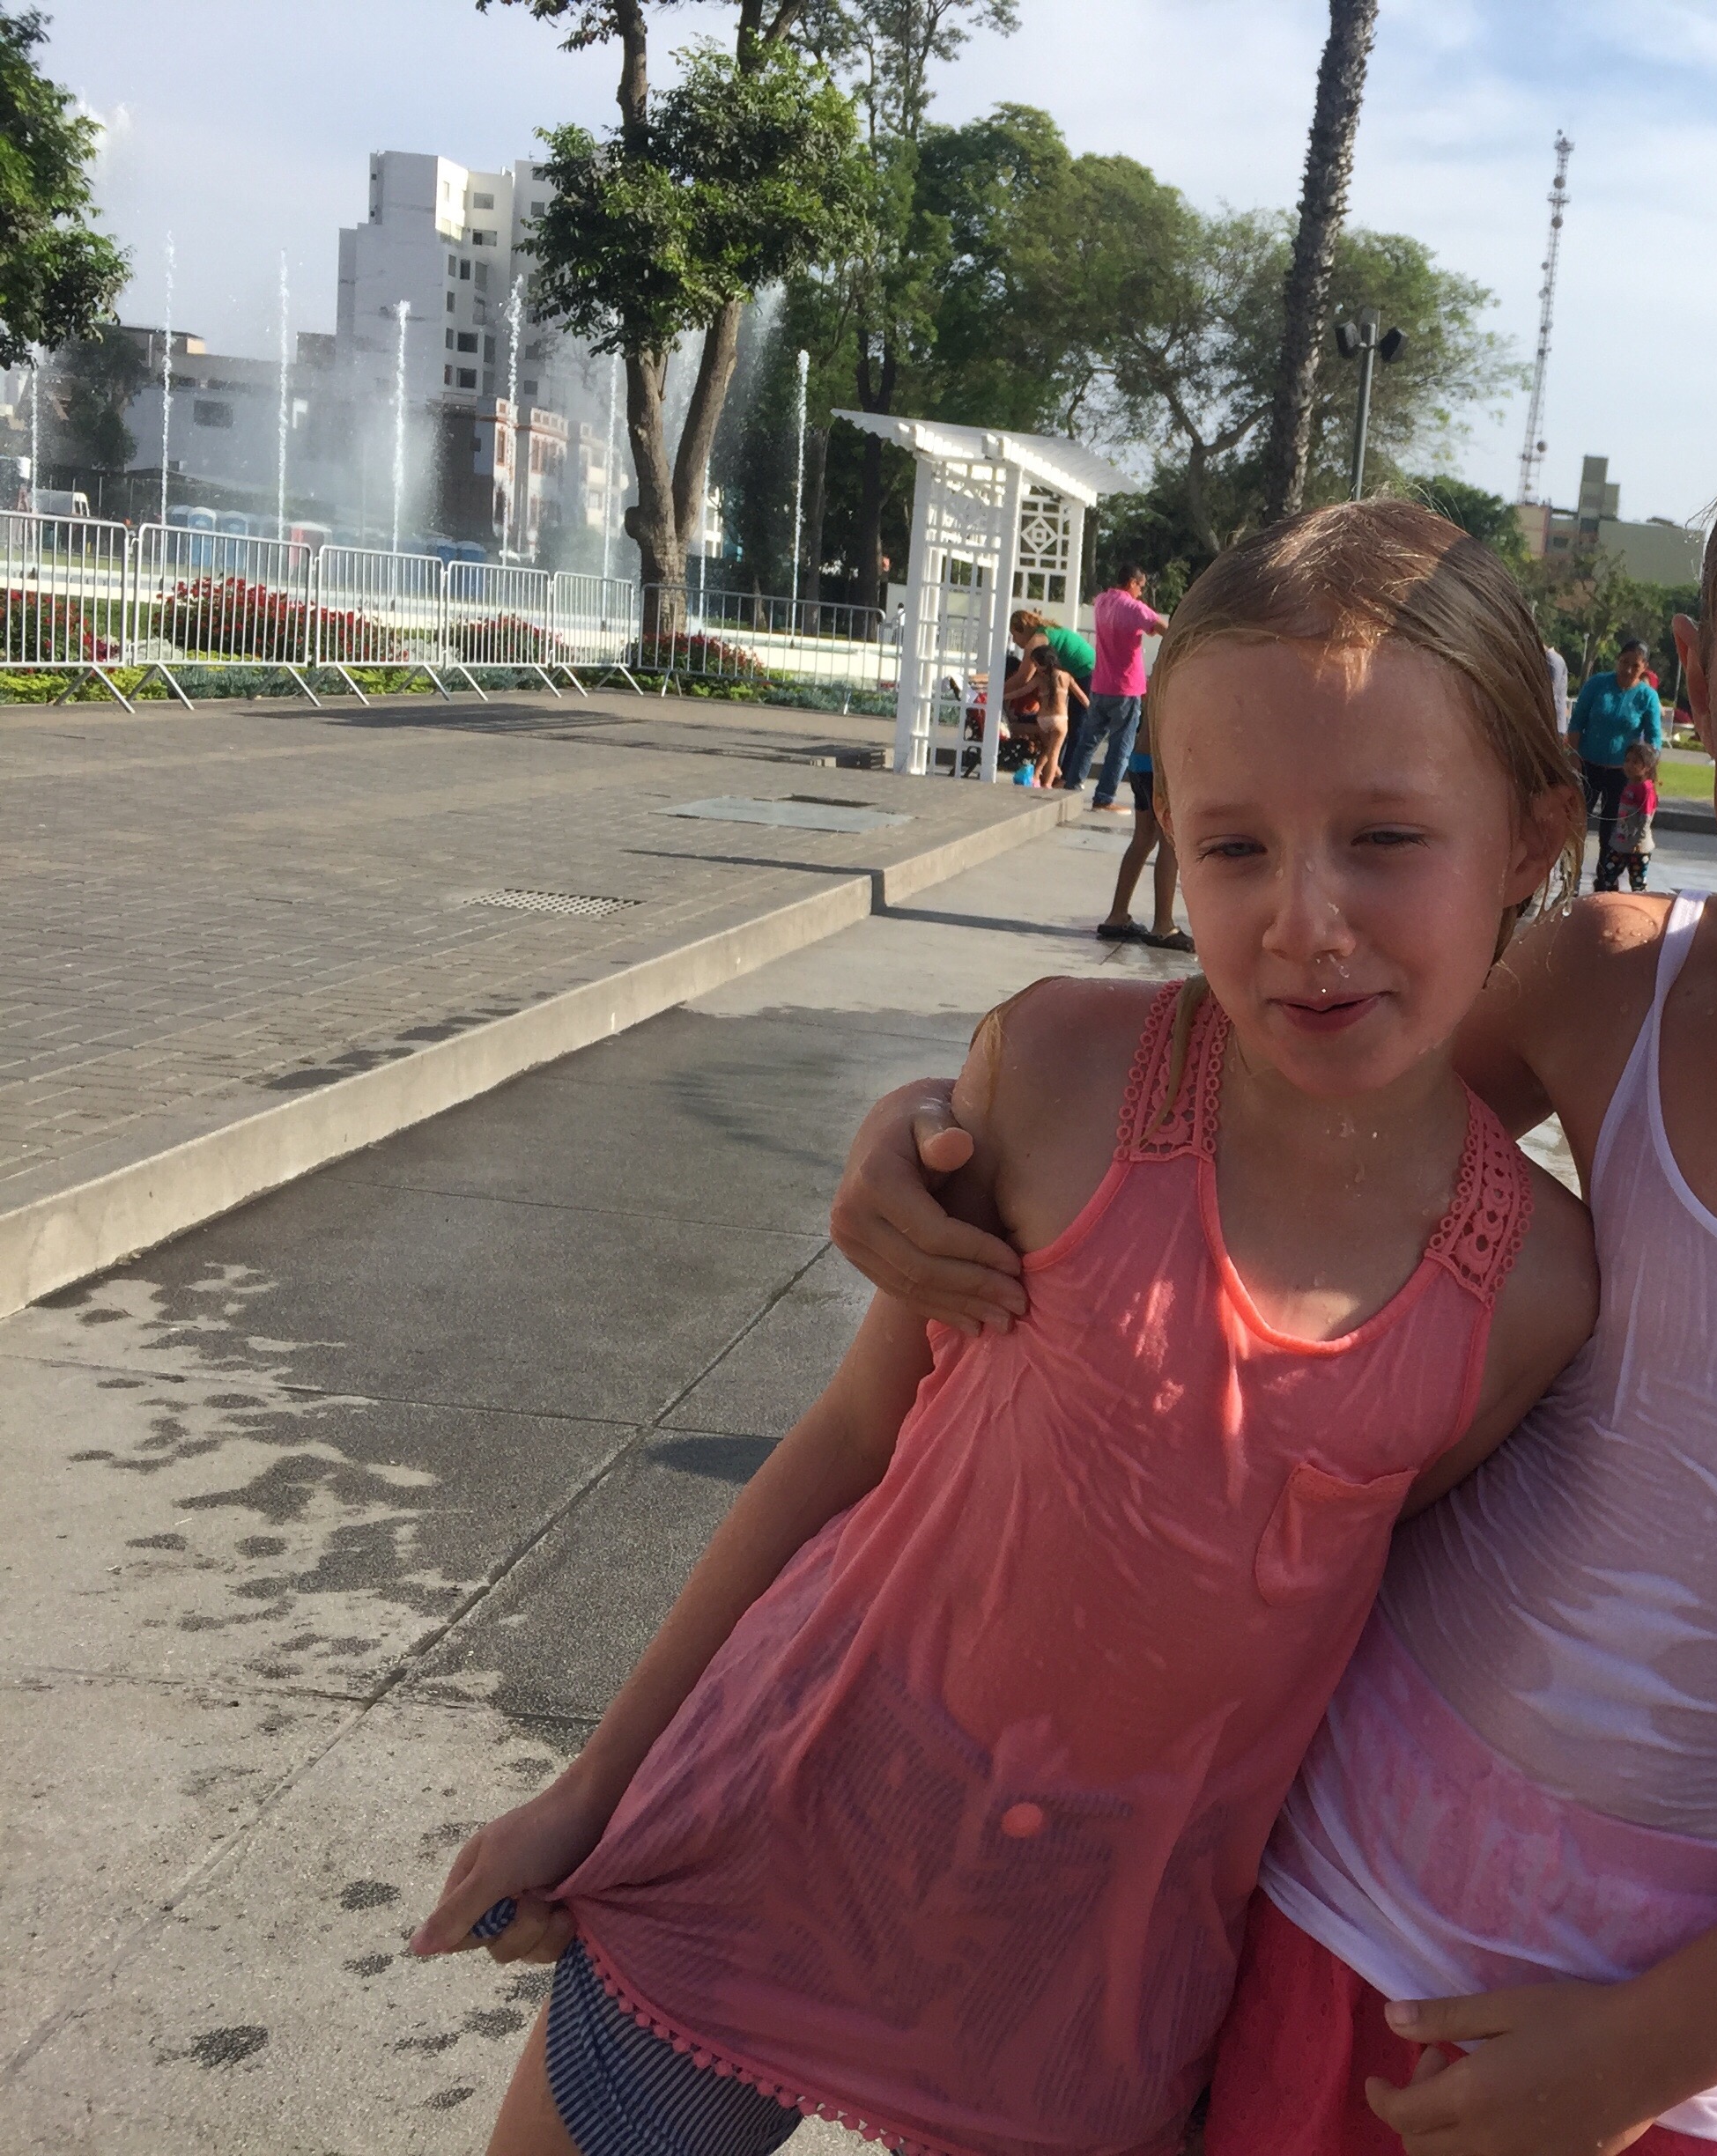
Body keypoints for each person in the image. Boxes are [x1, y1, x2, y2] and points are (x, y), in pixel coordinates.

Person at [827, 355, 1717, 2155]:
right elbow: (1262, 1123)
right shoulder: (1606, 984)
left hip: (1704, 2048)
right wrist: (935, 1128)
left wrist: (1642, 2055)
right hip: (1333, 1898)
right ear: (1699, 683)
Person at [412, 501, 1597, 2156]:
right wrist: (590, 1786)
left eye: (1385, 839)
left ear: (1532, 837)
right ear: (1165, 831)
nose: (1304, 921)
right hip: (787, 1822)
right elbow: (848, 1440)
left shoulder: (1530, 1288)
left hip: (1082, 1974)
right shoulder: (1055, 1075)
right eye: (1234, 848)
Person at [1062, 565, 1169, 809]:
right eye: (1141, 587)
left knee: (1088, 740)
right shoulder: (1134, 608)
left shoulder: (1102, 601)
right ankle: (1104, 797)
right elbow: (1163, 628)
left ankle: (1072, 785)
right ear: (1132, 583)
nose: (1141, 593)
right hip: (1126, 687)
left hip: (1100, 683)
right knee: (1121, 746)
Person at [1566, 636, 1663, 845]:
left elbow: (1654, 738)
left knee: (1612, 830)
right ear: (1618, 659)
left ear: (1645, 667)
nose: (1628, 670)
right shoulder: (1597, 684)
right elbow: (1577, 722)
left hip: (1622, 772)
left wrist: (1647, 771)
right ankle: (1572, 863)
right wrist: (1573, 756)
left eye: (1635, 666)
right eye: (1624, 662)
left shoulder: (1647, 697)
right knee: (1577, 821)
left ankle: (1606, 867)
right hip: (1587, 765)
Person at [1096, 730, 1188, 949]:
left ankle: (1117, 915)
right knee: (1170, 842)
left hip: (1140, 760)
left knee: (1143, 838)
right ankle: (1163, 925)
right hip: (1162, 763)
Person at [1006, 635, 1073, 790]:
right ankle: (1047, 783)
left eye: (1036, 664)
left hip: (1043, 719)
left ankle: (1038, 776)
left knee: (1047, 749)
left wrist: (1004, 696)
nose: (1035, 667)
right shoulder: (1066, 676)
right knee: (1054, 753)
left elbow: (1022, 691)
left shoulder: (1039, 680)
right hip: (1060, 719)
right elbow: (1081, 696)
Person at [1595, 737, 1659, 893]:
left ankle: (1638, 903)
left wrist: (1639, 841)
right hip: (1620, 843)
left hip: (1638, 847)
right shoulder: (1629, 784)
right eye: (1627, 760)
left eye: (1635, 762)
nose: (1629, 765)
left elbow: (1646, 818)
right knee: (1609, 874)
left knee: (1637, 882)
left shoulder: (1646, 789)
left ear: (1647, 767)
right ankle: (1611, 899)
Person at [1010, 603, 1097, 690]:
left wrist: (1002, 691)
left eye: (1014, 635)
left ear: (1022, 629)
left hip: (1085, 671)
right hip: (1091, 667)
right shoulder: (1047, 630)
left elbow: (1022, 678)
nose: (1013, 640)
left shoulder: (1037, 641)